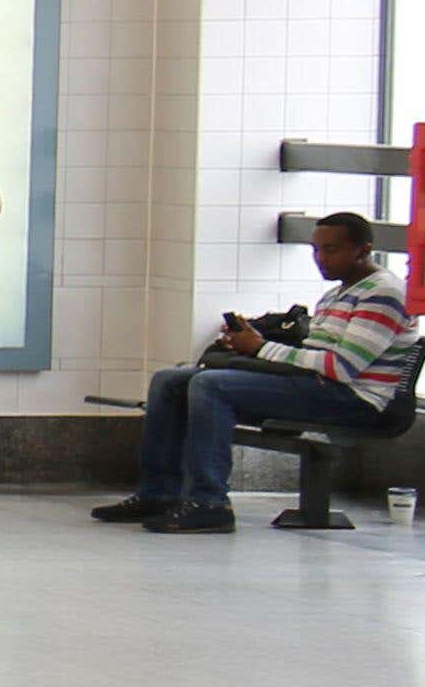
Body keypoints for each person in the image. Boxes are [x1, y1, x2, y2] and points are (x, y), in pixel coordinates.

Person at [103, 207, 412, 531]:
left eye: (331, 250)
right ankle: (158, 493)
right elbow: (312, 356)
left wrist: (262, 349)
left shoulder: (384, 294)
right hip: (318, 385)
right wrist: (254, 346)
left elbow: (342, 367)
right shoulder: (336, 294)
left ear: (363, 250)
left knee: (211, 385)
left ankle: (209, 503)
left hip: (354, 399)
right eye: (315, 250)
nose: (320, 259)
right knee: (171, 380)